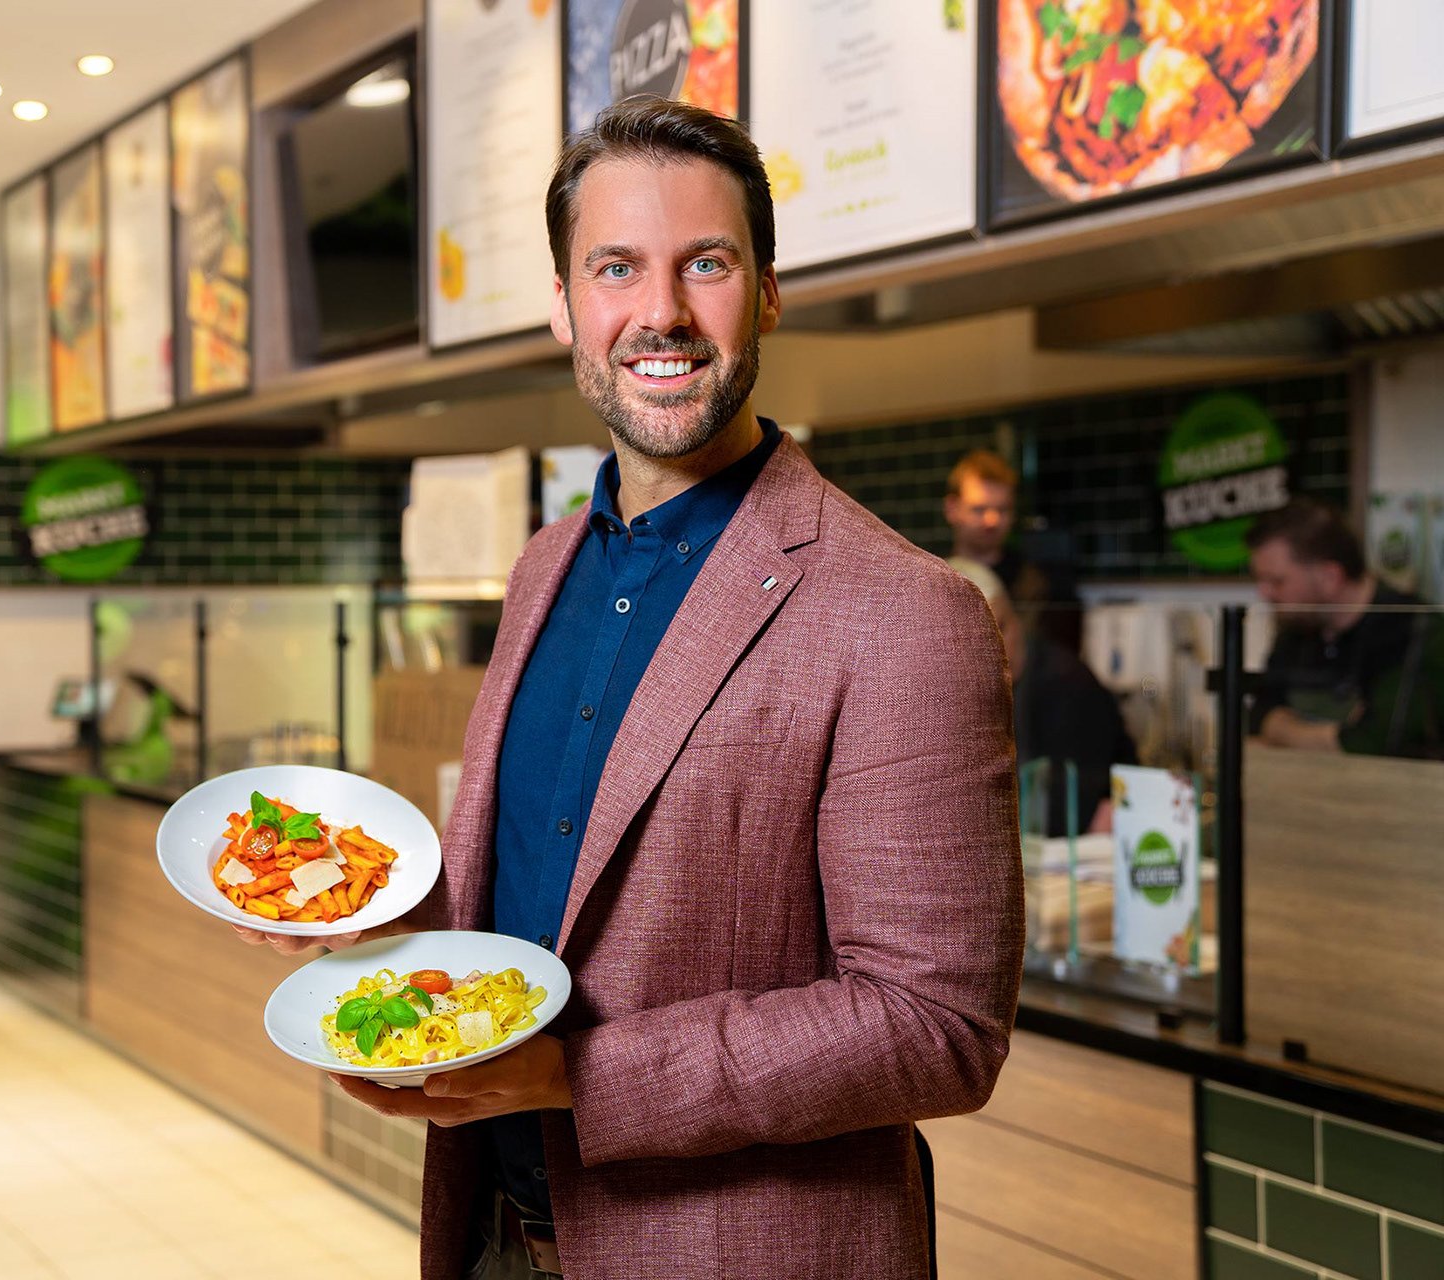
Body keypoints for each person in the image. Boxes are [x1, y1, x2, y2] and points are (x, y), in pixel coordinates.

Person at [239, 97, 1023, 1280]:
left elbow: (937, 1026)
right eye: (617, 267)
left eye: (706, 263)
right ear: (563, 303)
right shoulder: (544, 567)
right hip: (495, 1236)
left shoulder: (904, 611)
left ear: (767, 292)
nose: (661, 312)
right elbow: (530, 908)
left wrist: (578, 1072)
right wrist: (364, 908)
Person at [949, 557, 1135, 836]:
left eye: (1002, 627)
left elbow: (1070, 808)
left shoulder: (1067, 682)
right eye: (977, 640)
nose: (997, 646)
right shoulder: (953, 696)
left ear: (1016, 617)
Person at [1248, 498, 1443, 759]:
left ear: (1330, 577)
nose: (1265, 593)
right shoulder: (1298, 626)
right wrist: (1333, 735)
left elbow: (1378, 745)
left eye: (1277, 581)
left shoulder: (1415, 631)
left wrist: (1283, 730)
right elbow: (1258, 716)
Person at [944, 449, 1080, 652]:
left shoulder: (1035, 583)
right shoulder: (935, 578)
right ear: (952, 509)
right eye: (979, 509)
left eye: (1002, 509)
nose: (992, 520)